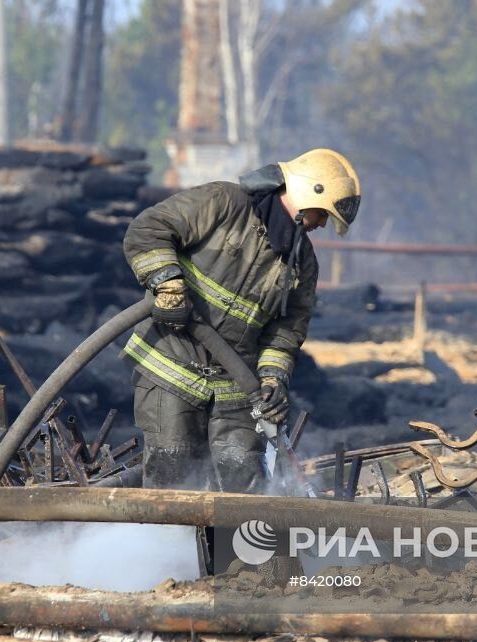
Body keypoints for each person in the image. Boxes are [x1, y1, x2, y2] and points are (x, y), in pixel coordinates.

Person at [122, 148, 361, 493]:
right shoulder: (224, 203)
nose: (322, 224)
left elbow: (286, 333)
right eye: (323, 215)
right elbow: (148, 229)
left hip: (237, 389)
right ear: (310, 193)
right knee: (173, 477)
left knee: (244, 486)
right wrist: (167, 282)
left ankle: (234, 550)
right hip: (170, 368)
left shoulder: (302, 262)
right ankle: (165, 548)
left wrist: (272, 380)